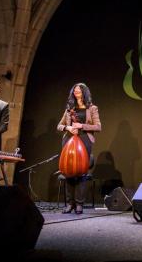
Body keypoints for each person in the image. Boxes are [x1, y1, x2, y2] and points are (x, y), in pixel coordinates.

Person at [57, 83, 101, 214]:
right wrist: (68, 127)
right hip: (69, 140)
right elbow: (59, 125)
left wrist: (82, 126)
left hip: (85, 140)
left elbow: (98, 127)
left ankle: (79, 203)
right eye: (75, 91)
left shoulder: (92, 108)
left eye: (79, 91)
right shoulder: (69, 108)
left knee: (82, 172)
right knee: (68, 172)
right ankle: (70, 204)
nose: (77, 93)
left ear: (84, 93)